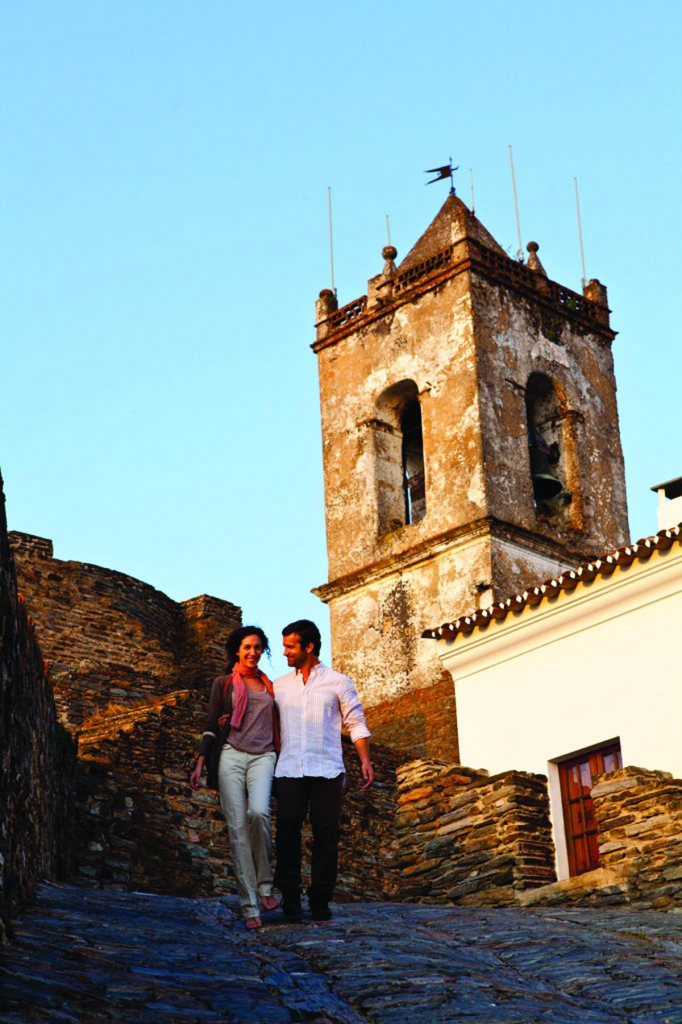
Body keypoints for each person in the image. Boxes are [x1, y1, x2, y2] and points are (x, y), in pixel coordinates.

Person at [273, 619, 374, 922]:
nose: (285, 652)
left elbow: (355, 722)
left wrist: (365, 761)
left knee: (327, 832)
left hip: (327, 769)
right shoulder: (279, 686)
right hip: (289, 767)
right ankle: (290, 898)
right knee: (287, 828)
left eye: (290, 647)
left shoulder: (338, 682)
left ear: (309, 647)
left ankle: (320, 900)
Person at [189, 625, 280, 930]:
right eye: (247, 647)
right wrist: (201, 763)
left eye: (257, 647)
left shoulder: (270, 686)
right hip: (231, 754)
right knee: (238, 830)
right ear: (237, 651)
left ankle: (265, 884)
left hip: (264, 755)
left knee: (259, 812)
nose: (253, 652)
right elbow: (211, 724)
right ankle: (249, 905)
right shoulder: (223, 683)